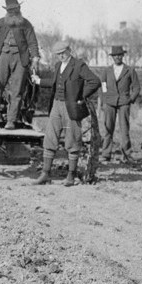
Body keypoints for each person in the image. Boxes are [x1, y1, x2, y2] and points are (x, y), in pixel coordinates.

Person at [34, 40, 102, 186]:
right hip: (56, 106)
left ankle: (70, 176)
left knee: (72, 140)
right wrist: (39, 81)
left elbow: (95, 81)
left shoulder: (79, 65)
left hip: (71, 108)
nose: (61, 56)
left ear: (69, 51)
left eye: (63, 53)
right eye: (58, 54)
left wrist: (80, 96)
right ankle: (45, 174)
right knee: (50, 138)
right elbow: (54, 82)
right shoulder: (58, 66)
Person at [0, 0, 40, 130]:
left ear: (19, 9)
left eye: (15, 9)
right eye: (10, 10)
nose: (13, 12)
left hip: (21, 59)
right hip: (2, 57)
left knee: (16, 90)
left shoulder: (26, 24)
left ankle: (11, 121)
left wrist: (35, 58)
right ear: (7, 11)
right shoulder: (1, 22)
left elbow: (32, 42)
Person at [100, 44, 141, 162]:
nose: (117, 57)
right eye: (115, 55)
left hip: (124, 102)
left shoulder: (130, 70)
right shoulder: (106, 71)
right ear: (112, 57)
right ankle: (106, 153)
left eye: (119, 55)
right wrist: (104, 100)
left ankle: (127, 154)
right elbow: (102, 87)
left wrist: (130, 99)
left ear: (123, 56)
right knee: (108, 128)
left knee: (124, 129)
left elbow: (137, 87)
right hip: (110, 103)